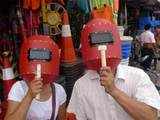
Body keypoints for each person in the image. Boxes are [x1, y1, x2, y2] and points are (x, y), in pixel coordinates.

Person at [67, 19, 160, 120]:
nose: (100, 45)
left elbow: (151, 116)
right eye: (95, 41)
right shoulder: (81, 85)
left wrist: (113, 90)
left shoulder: (137, 76)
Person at [4, 35, 66, 120]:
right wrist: (29, 96)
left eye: (45, 56)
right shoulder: (19, 88)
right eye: (34, 55)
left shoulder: (59, 91)